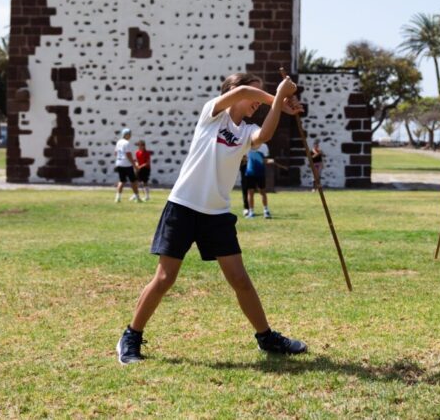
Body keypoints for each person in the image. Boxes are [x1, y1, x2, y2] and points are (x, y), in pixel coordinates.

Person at [115, 72, 306, 364]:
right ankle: (131, 336)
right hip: (183, 206)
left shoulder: (246, 132)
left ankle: (266, 337)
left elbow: (265, 135)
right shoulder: (212, 113)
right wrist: (278, 97)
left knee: (240, 280)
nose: (258, 100)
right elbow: (243, 92)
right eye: (254, 94)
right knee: (165, 278)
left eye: (261, 95)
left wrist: (279, 102)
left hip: (217, 214)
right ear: (233, 91)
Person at [114, 128, 141, 203]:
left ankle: (118, 198)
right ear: (126, 135)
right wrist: (134, 165)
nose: (130, 136)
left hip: (119, 163)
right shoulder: (126, 143)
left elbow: (115, 153)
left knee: (122, 181)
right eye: (129, 134)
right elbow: (128, 154)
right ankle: (137, 197)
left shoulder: (119, 142)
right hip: (126, 164)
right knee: (133, 181)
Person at [244, 142, 271, 218]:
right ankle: (251, 212)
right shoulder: (247, 146)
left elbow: (265, 159)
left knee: (262, 192)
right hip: (249, 173)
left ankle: (266, 211)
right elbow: (244, 158)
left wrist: (267, 161)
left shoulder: (264, 146)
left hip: (260, 173)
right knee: (250, 192)